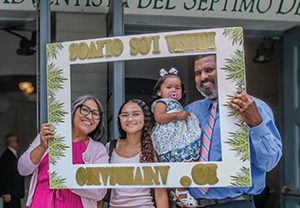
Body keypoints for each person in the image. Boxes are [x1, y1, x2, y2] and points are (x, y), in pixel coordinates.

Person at [185, 54, 282, 207]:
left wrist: (255, 123)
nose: (203, 77)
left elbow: (269, 162)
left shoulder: (254, 107)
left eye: (209, 70)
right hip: (193, 204)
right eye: (198, 73)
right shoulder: (190, 112)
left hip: (237, 203)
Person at [18, 95, 109, 208]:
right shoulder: (49, 135)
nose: (90, 116)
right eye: (84, 109)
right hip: (41, 202)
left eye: (95, 113)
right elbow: (23, 169)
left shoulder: (98, 149)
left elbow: (100, 192)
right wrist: (42, 147)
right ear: (73, 111)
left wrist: (65, 179)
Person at [99, 99, 169, 208]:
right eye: (125, 115)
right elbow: (101, 190)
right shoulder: (110, 147)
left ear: (144, 118)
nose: (130, 119)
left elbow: (160, 194)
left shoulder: (154, 148)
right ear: (120, 119)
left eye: (136, 114)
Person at [151, 68, 201, 207]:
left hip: (179, 137)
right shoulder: (162, 103)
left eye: (177, 88)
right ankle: (180, 191)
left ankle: (180, 189)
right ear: (159, 92)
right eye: (169, 87)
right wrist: (177, 115)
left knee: (189, 160)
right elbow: (159, 118)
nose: (174, 90)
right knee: (177, 162)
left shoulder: (178, 105)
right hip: (169, 138)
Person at [0, 133, 24, 208]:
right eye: (17, 141)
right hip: (10, 194)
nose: (19, 143)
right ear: (10, 142)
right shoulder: (6, 156)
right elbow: (3, 175)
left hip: (15, 192)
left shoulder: (15, 154)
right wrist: (6, 192)